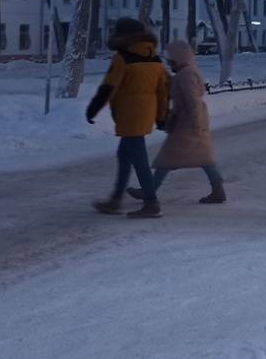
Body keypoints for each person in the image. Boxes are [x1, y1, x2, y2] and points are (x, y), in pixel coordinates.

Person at [125, 39, 226, 204]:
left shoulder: (186, 74)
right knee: (203, 157)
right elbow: (177, 87)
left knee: (167, 158)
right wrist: (164, 74)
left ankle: (148, 190)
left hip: (188, 123)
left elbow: (192, 100)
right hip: (189, 122)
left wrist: (195, 125)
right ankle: (218, 190)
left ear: (179, 58)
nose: (169, 62)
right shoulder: (185, 71)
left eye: (170, 59)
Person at [87, 18, 168, 219]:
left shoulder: (122, 59)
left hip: (129, 115)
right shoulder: (155, 59)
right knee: (124, 156)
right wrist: (161, 117)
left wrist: (93, 109)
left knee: (139, 159)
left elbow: (108, 87)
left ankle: (151, 202)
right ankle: (115, 200)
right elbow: (163, 91)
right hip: (145, 114)